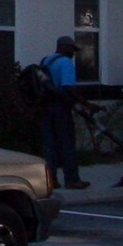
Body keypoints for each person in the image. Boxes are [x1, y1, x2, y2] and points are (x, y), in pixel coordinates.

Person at [39, 36, 89, 191]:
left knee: (49, 145)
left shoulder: (45, 61)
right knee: (67, 143)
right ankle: (72, 179)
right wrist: (86, 104)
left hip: (45, 107)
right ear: (64, 47)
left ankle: (51, 180)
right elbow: (68, 88)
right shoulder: (65, 63)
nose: (73, 53)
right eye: (72, 49)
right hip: (60, 108)